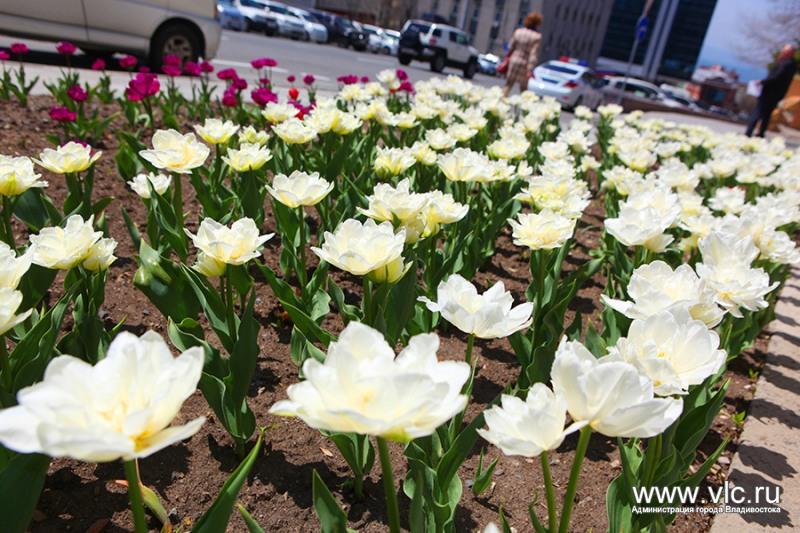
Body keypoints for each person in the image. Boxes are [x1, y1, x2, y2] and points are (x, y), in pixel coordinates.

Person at [746, 43, 797, 137]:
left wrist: (762, 82)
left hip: (771, 91)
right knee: (766, 114)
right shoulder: (787, 62)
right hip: (775, 92)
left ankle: (749, 132)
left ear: (789, 52)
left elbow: (777, 77)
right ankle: (760, 133)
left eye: (785, 50)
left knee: (758, 111)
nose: (782, 51)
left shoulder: (787, 64)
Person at [503, 12, 542, 97]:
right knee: (523, 88)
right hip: (525, 64)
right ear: (537, 24)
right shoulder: (536, 36)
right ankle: (524, 103)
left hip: (514, 60)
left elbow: (510, 47)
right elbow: (533, 54)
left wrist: (506, 59)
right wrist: (530, 69)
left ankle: (501, 101)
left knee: (508, 84)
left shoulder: (518, 32)